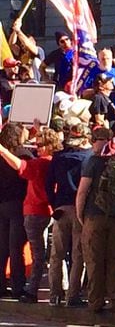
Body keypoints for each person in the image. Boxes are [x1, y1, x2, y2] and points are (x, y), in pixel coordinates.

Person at [76, 127, 115, 313]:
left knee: (94, 260)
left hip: (94, 215)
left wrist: (81, 214)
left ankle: (95, 301)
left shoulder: (93, 162)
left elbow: (82, 191)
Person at [0, 126, 62, 303]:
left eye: (40, 144)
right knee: (22, 248)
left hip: (31, 209)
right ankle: (20, 287)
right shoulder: (49, 160)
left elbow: (22, 166)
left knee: (16, 248)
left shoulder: (39, 162)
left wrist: (2, 150)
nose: (36, 146)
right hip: (33, 208)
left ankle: (26, 288)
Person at [44, 120, 93, 307]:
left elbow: (48, 184)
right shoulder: (88, 157)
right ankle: (73, 295)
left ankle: (54, 294)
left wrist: (53, 203)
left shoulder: (58, 157)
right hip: (81, 209)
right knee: (78, 254)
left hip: (61, 208)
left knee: (57, 253)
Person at [0, 123, 31, 299]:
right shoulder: (23, 154)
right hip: (18, 203)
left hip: (2, 202)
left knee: (2, 246)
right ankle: (18, 286)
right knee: (15, 247)